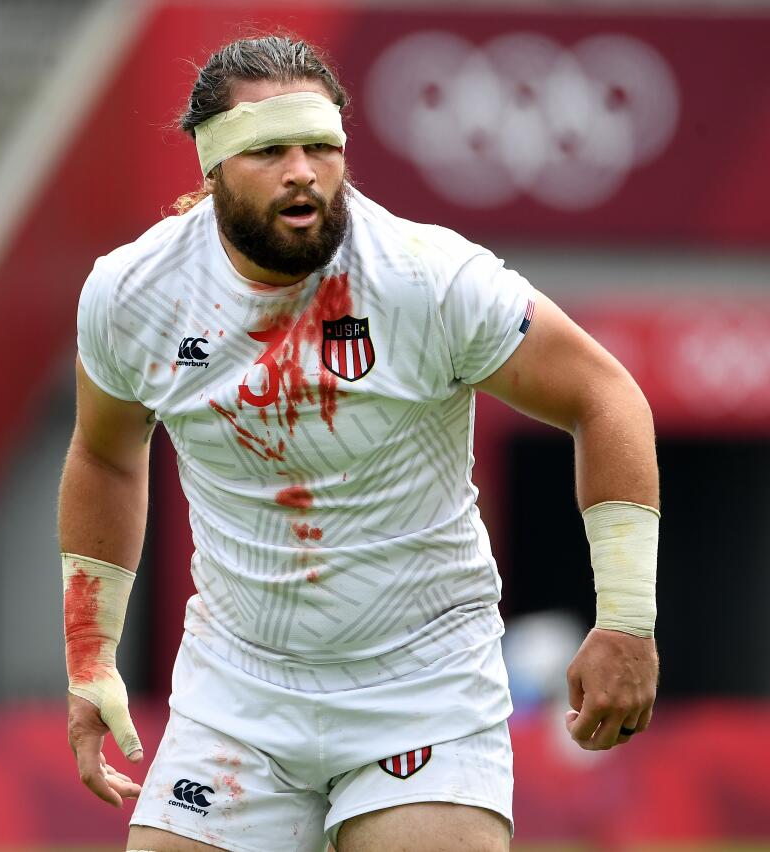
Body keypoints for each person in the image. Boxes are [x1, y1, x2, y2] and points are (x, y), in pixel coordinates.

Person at [59, 33, 661, 852]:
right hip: (238, 688)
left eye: (322, 146)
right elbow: (104, 453)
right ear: (210, 166)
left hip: (423, 683)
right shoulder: (133, 293)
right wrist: (90, 656)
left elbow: (606, 395)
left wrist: (627, 619)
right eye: (270, 150)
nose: (303, 170)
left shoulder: (428, 277)